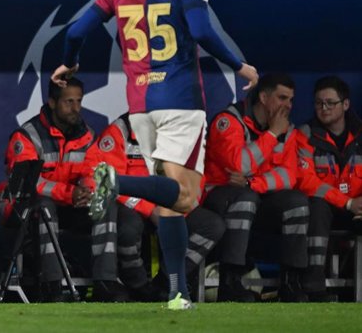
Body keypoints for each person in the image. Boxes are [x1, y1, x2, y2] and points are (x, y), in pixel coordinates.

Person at [51, 0, 258, 309]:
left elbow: (75, 31)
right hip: (180, 101)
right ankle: (116, 181)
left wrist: (70, 61)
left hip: (141, 107)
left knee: (169, 203)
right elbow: (200, 31)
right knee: (186, 197)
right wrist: (240, 64)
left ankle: (177, 293)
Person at [0, 77, 134, 302]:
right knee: (43, 205)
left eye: (79, 101)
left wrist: (87, 190)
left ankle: (106, 281)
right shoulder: (27, 136)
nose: (75, 108)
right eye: (68, 102)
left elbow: (94, 170)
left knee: (105, 202)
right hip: (30, 210)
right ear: (52, 102)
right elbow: (28, 183)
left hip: (72, 206)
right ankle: (51, 284)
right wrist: (69, 193)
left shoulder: (87, 135)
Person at [85, 114, 225, 300]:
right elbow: (108, 180)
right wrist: (149, 209)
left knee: (212, 225)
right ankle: (137, 285)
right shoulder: (120, 131)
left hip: (171, 205)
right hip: (134, 206)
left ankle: (166, 283)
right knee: (128, 228)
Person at [203, 73, 309, 302]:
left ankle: (291, 283)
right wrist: (271, 134)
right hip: (218, 197)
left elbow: (288, 176)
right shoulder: (230, 120)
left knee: (296, 202)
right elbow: (239, 164)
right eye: (282, 98)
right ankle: (229, 282)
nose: (287, 106)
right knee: (245, 198)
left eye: (290, 100)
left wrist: (252, 182)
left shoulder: (287, 130)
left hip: (255, 195)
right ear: (263, 96)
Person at [296, 75, 362, 301]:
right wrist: (347, 203)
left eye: (330, 103)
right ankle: (313, 284)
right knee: (316, 205)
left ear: (345, 104)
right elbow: (307, 181)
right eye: (318, 103)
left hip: (357, 208)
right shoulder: (305, 134)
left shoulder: (361, 135)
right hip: (327, 209)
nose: (323, 108)